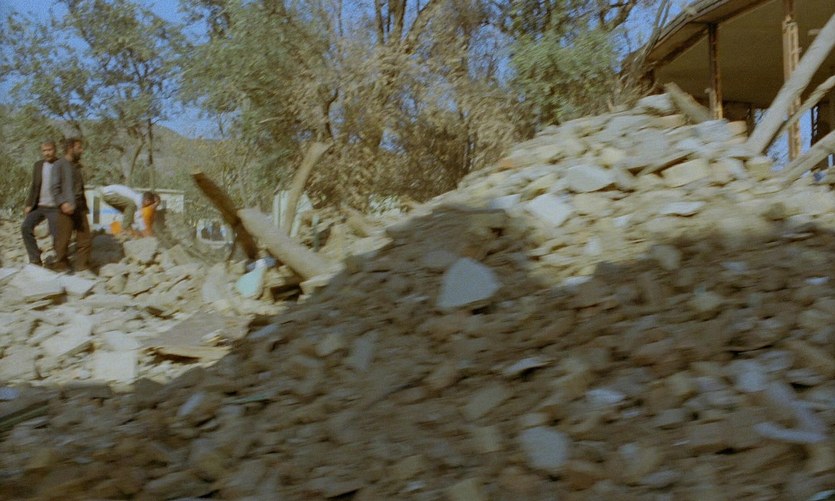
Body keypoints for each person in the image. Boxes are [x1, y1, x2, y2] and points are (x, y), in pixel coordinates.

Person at [52, 137, 91, 273]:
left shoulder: (77, 166)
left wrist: (84, 207)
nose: (82, 150)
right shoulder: (59, 164)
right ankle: (61, 266)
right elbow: (55, 188)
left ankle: (82, 267)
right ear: (70, 148)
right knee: (63, 240)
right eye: (79, 148)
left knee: (85, 239)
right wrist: (62, 203)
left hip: (80, 207)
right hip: (66, 207)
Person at [20, 141, 61, 266]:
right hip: (39, 206)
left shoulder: (61, 164)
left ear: (55, 150)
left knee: (56, 234)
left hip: (55, 207)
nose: (47, 153)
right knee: (25, 227)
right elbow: (34, 186)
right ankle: (35, 259)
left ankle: (60, 261)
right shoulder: (38, 165)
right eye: (44, 150)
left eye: (49, 150)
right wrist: (29, 204)